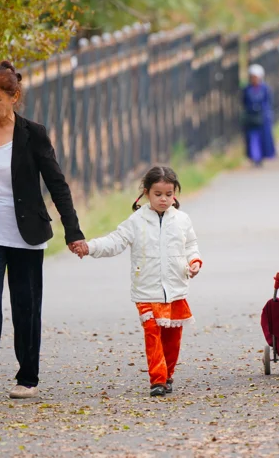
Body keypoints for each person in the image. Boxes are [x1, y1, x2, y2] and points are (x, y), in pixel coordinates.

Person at [0, 61, 86, 402]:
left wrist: (73, 231)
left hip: (26, 236)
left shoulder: (33, 134)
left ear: (15, 96)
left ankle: (27, 378)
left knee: (26, 307)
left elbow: (57, 184)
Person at [72, 166, 202, 397]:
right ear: (146, 193)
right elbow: (115, 241)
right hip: (146, 291)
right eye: (158, 194)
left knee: (171, 338)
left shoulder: (182, 220)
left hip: (175, 290)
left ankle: (168, 374)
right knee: (153, 334)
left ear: (175, 194)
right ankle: (158, 380)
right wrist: (89, 247)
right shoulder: (137, 221)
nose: (163, 199)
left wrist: (194, 261)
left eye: (168, 194)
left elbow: (191, 245)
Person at [242, 64, 276, 167]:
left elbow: (268, 102)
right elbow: (244, 102)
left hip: (263, 117)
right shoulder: (247, 89)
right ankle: (255, 157)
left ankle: (261, 157)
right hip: (251, 118)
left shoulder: (265, 89)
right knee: (253, 138)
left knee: (263, 138)